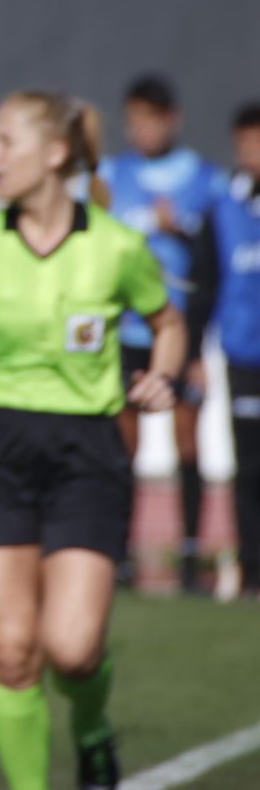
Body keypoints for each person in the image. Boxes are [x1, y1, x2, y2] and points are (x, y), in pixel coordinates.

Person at [0, 91, 185, 790]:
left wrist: (165, 373)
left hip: (89, 455)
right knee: (13, 651)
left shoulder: (117, 246)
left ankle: (92, 727)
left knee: (73, 651)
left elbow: (168, 322)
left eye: (2, 142)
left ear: (54, 154)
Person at [97, 75, 227, 592]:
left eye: (151, 120)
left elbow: (215, 260)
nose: (141, 131)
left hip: (181, 331)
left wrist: (200, 343)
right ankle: (122, 553)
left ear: (171, 119)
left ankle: (191, 556)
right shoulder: (111, 175)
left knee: (187, 441)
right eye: (134, 121)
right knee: (125, 442)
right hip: (129, 330)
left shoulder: (204, 180)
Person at [189, 102, 260, 601]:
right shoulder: (223, 210)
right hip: (244, 357)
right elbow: (205, 288)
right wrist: (194, 353)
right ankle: (252, 570)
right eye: (245, 144)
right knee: (249, 468)